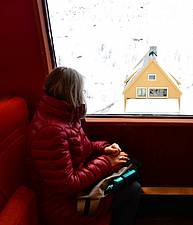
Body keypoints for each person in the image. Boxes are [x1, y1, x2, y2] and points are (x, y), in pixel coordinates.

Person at [28, 67, 141, 225]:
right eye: (81, 91)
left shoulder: (65, 117)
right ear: (72, 93)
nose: (83, 95)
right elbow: (68, 184)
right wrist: (107, 162)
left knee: (130, 165)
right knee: (131, 190)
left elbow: (83, 147)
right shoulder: (51, 131)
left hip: (76, 193)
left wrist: (104, 148)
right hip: (65, 206)